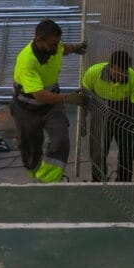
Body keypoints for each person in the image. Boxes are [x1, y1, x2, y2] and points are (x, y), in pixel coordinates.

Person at [10, 19, 87, 183]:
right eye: (53, 44)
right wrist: (68, 98)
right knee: (30, 147)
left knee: (61, 140)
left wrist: (74, 48)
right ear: (39, 40)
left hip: (51, 106)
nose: (56, 47)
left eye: (58, 42)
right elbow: (39, 94)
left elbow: (62, 49)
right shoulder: (27, 61)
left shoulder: (55, 47)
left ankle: (48, 181)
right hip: (26, 108)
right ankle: (36, 178)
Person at [81, 50, 134, 182]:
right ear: (111, 67)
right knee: (98, 151)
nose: (121, 76)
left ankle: (124, 181)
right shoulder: (93, 73)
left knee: (127, 152)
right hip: (100, 113)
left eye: (124, 72)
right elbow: (83, 98)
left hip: (124, 115)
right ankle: (98, 180)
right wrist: (83, 121)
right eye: (118, 72)